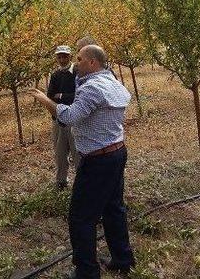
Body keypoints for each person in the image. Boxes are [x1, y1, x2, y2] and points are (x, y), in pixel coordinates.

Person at [29, 45, 135, 279]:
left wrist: (44, 99)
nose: (75, 63)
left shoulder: (93, 88)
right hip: (117, 152)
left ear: (92, 63)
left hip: (98, 160)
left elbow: (69, 116)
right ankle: (122, 258)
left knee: (81, 216)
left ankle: (87, 272)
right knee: (113, 208)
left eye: (79, 59)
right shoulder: (113, 83)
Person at [47, 45, 79, 189]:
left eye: (64, 56)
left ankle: (81, 181)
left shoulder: (77, 72)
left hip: (75, 119)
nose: (62, 59)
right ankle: (61, 181)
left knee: (77, 152)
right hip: (59, 119)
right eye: (59, 57)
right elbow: (50, 96)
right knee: (60, 153)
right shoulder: (55, 75)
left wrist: (62, 96)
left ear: (70, 56)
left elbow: (80, 95)